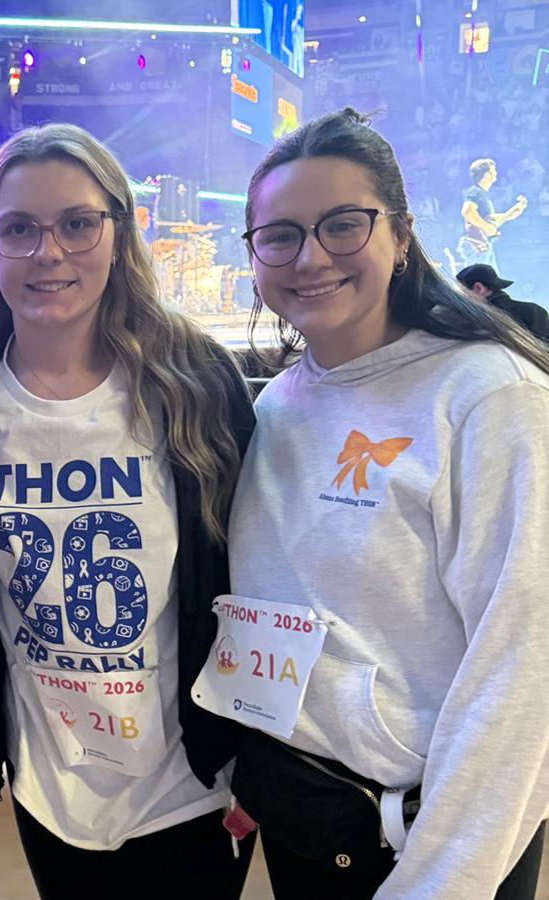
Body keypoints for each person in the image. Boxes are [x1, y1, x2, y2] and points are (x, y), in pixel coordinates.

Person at [223, 108, 549, 899]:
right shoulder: (278, 406)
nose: (310, 258)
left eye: (343, 226)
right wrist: (251, 762)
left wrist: (442, 879)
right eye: (281, 235)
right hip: (311, 812)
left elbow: (524, 672)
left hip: (425, 840)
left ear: (400, 237)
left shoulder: (489, 399)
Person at [0, 123, 256, 899]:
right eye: (20, 229)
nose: (50, 252)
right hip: (52, 784)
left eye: (77, 223)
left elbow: (256, 571)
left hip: (191, 785)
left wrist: (258, 752)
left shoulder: (195, 378)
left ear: (118, 230)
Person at [458, 157, 526, 268]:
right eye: (493, 170)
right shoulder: (476, 192)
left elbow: (490, 221)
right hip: (476, 245)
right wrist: (487, 228)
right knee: (480, 282)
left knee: (489, 282)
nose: (496, 173)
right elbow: (467, 212)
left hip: (482, 245)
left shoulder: (482, 194)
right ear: (486, 175)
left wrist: (513, 212)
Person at [455, 263, 549, 341]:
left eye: (461, 292)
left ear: (478, 288)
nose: (459, 299)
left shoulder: (478, 323)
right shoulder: (534, 311)